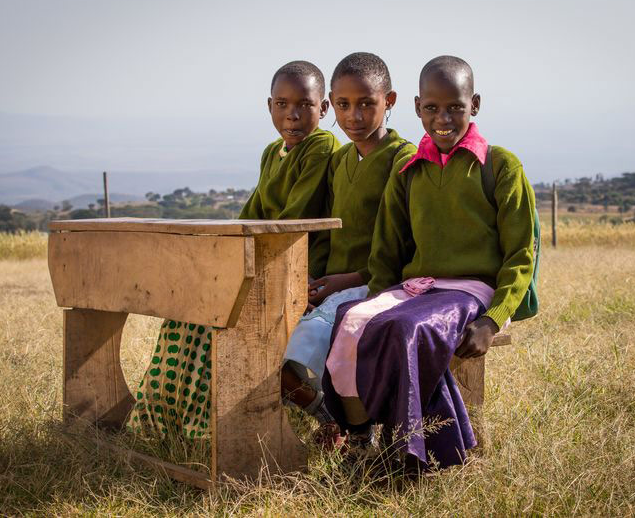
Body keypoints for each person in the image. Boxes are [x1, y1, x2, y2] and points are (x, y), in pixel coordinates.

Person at [323, 56, 537, 469]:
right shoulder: (407, 171)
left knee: (404, 329)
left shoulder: (500, 166)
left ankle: (415, 452)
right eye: (433, 108)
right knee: (350, 318)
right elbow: (387, 251)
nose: (443, 118)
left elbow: (520, 254)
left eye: (455, 106)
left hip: (471, 291)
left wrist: (492, 321)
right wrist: (375, 302)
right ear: (418, 106)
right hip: (417, 288)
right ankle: (360, 439)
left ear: (474, 105)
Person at [127, 60, 338, 439]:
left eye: (304, 105)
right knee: (190, 313)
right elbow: (252, 214)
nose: (292, 115)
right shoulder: (272, 152)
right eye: (282, 103)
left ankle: (316, 410)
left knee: (230, 321)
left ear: (323, 109)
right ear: (269, 106)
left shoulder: (321, 145)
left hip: (297, 266)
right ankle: (180, 416)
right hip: (263, 262)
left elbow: (292, 221)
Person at [280, 53, 416, 447]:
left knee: (295, 354)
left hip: (375, 284)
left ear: (388, 101)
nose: (353, 116)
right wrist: (310, 277)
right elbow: (322, 229)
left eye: (365, 104)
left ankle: (354, 431)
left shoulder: (402, 158)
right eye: (342, 105)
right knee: (263, 337)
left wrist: (352, 279)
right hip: (329, 283)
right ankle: (332, 418)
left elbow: (402, 241)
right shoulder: (339, 160)